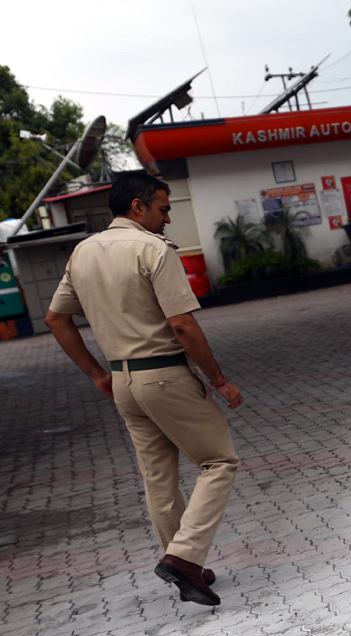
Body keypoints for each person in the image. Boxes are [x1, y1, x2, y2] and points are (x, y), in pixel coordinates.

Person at [44, 170, 242, 606]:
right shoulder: (152, 248)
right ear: (138, 206)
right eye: (163, 209)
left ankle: (184, 565)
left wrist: (97, 375)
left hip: (124, 383)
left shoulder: (82, 253)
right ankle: (184, 558)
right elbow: (181, 324)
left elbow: (56, 319)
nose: (167, 218)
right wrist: (219, 380)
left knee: (158, 477)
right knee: (219, 461)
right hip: (165, 374)